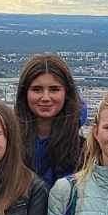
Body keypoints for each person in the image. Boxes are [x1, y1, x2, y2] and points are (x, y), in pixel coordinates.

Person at [15, 54, 84, 186]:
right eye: (37, 90)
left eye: (54, 89)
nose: (45, 97)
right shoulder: (9, 142)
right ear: (24, 93)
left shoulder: (82, 149)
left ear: (66, 93)